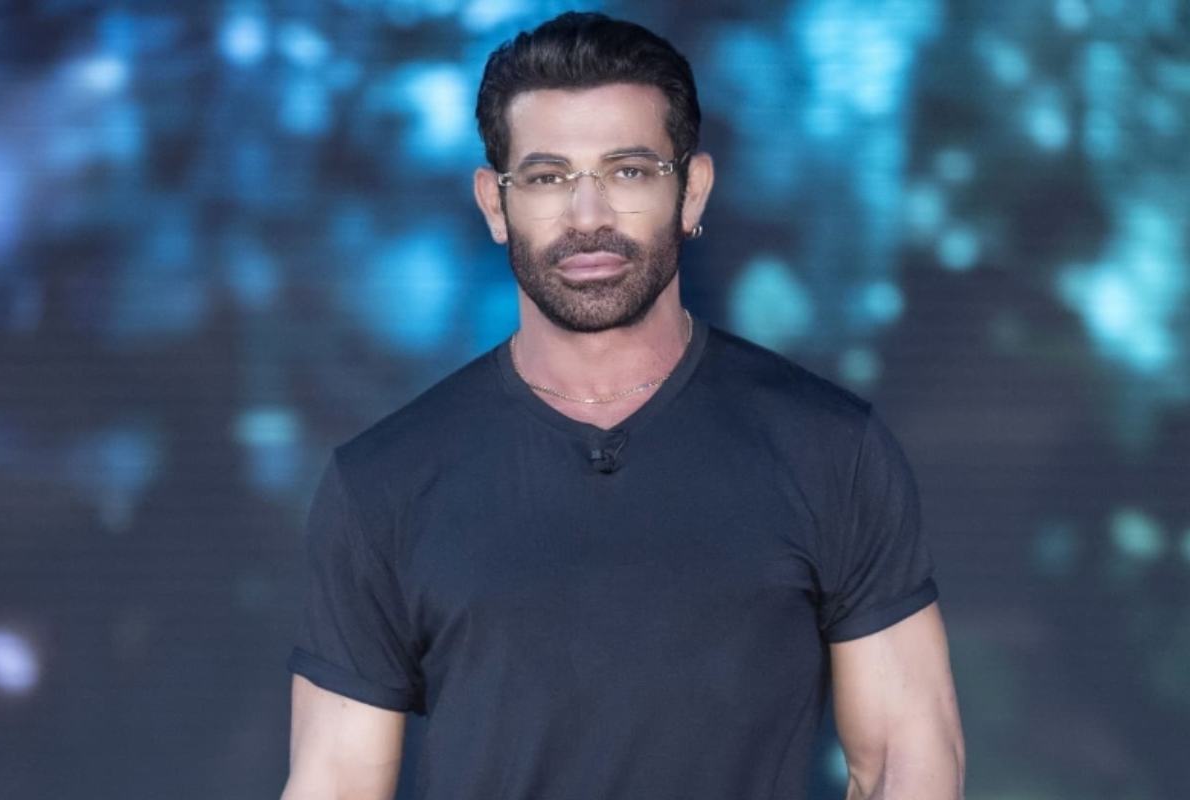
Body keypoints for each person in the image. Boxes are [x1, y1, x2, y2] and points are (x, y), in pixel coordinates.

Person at [280, 11, 965, 800]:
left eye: (629, 171)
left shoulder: (830, 450)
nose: (588, 217)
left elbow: (909, 756)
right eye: (547, 178)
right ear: (495, 204)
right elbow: (335, 779)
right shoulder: (383, 483)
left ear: (691, 191)